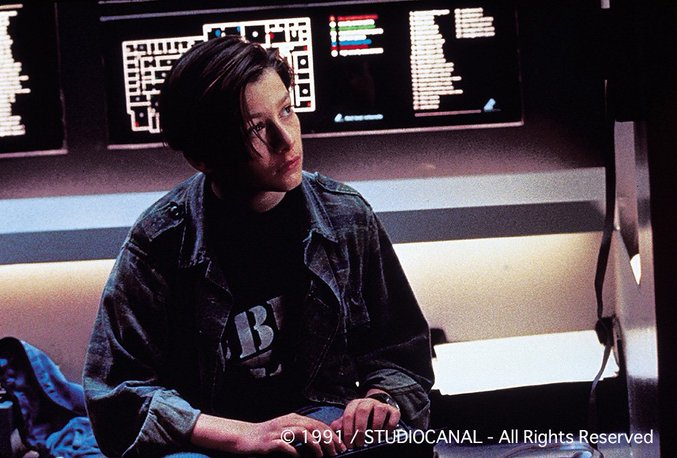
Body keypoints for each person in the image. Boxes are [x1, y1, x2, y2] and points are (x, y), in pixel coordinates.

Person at [83, 35, 434, 457]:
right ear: (202, 155)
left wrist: (379, 400)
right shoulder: (160, 241)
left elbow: (402, 356)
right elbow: (115, 397)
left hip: (320, 425)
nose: (286, 139)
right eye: (255, 129)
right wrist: (241, 436)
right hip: (212, 439)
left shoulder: (346, 217)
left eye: (286, 110)